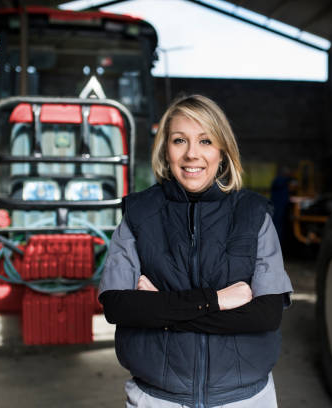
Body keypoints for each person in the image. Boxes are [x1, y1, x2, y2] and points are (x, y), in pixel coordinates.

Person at [99, 94, 293, 408]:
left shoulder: (254, 215)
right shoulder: (139, 214)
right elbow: (119, 307)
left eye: (205, 141)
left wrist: (159, 308)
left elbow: (265, 315)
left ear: (222, 150)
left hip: (244, 400)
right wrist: (217, 300)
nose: (192, 154)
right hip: (158, 399)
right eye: (179, 141)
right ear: (165, 149)